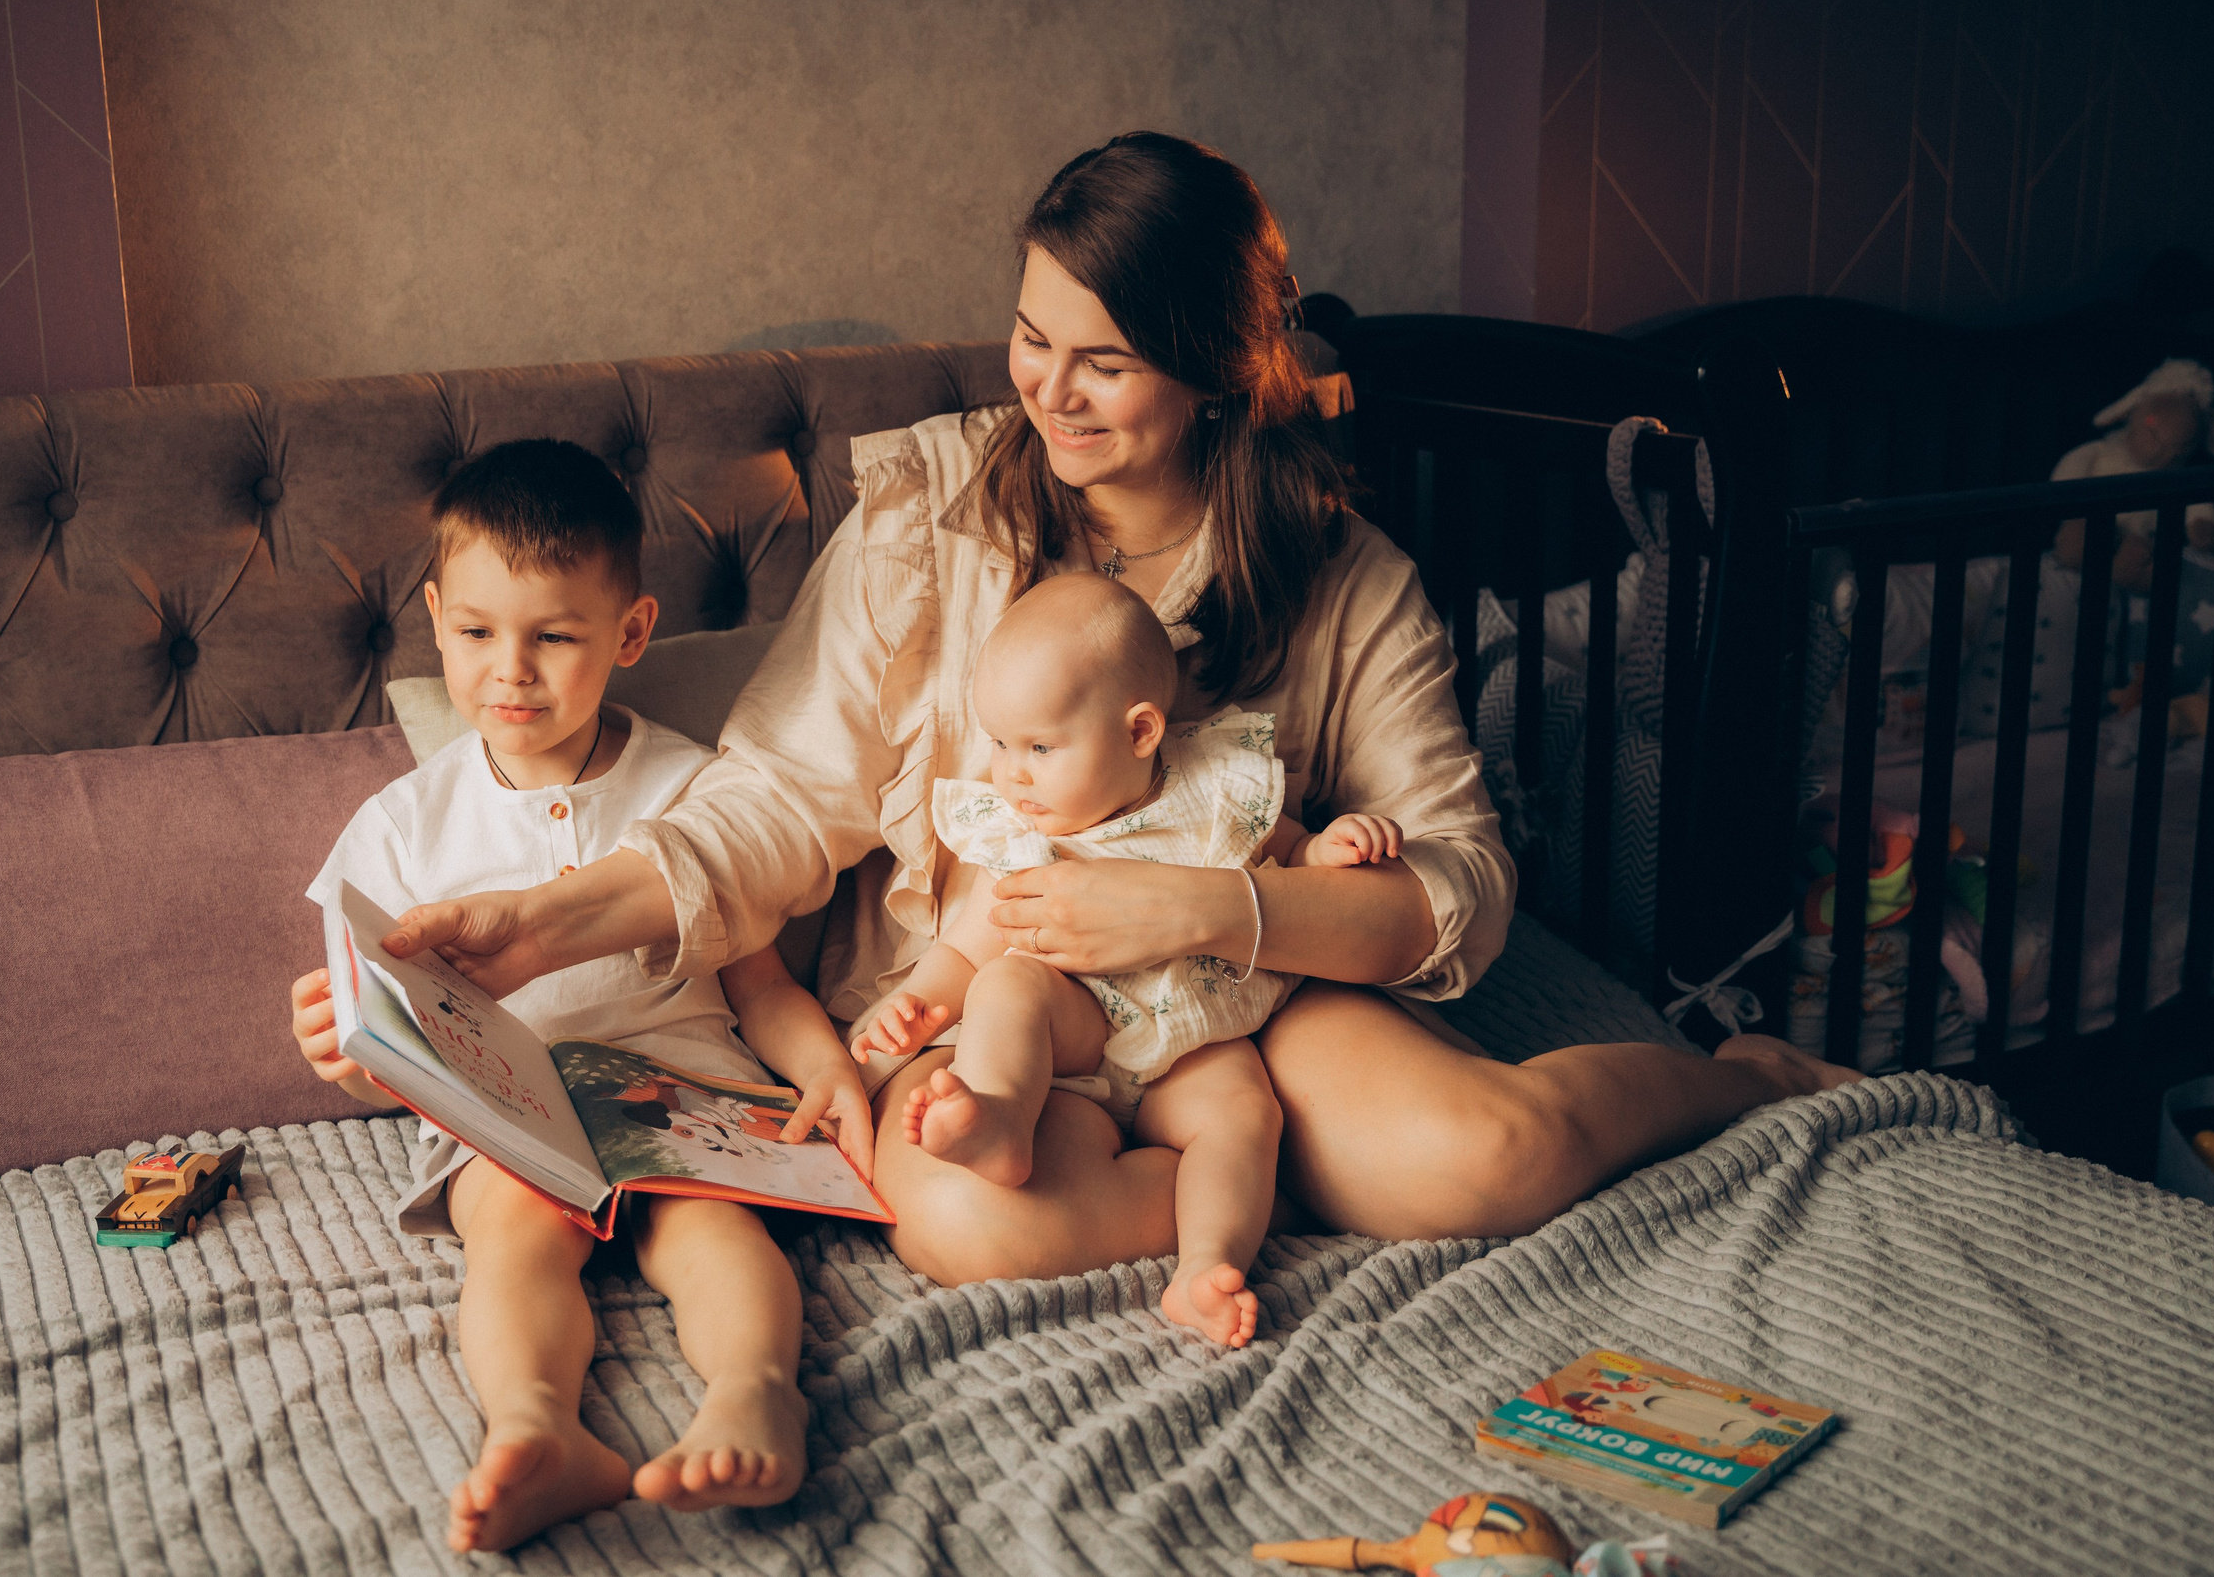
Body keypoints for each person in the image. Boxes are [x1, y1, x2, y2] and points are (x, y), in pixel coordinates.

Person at [378, 133, 1856, 1298]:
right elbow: (780, 793)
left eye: (1105, 361)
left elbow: (1459, 890)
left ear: (1217, 370)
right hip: (1006, 998)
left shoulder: (1344, 578)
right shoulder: (933, 520)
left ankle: (1725, 1079)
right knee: (960, 1218)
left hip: (1251, 996)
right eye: (1032, 339)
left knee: (1490, 1158)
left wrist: (1202, 902)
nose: (1050, 394)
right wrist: (551, 920)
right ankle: (1242, 1182)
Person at [285, 440, 871, 1551]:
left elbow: (759, 982)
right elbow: (387, 1057)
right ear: (434, 618)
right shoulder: (401, 826)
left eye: (553, 636)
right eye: (474, 633)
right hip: (510, 1116)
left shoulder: (694, 789)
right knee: (508, 1232)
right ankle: (537, 1427)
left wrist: (827, 1063)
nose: (510, 671)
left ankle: (756, 1388)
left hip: (683, 1093)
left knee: (712, 1231)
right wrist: (352, 1056)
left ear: (631, 632)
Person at [846, 571, 1407, 1348]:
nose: (1012, 772)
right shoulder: (1019, 831)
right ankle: (1002, 1116)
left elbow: (1282, 850)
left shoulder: (1215, 787)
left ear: (1141, 732)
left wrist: (1326, 848)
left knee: (1245, 1117)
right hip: (1078, 1030)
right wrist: (917, 1007)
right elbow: (968, 948)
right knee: (1011, 983)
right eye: (1001, 744)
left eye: (1040, 747)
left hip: (1198, 1037)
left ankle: (1206, 1267)